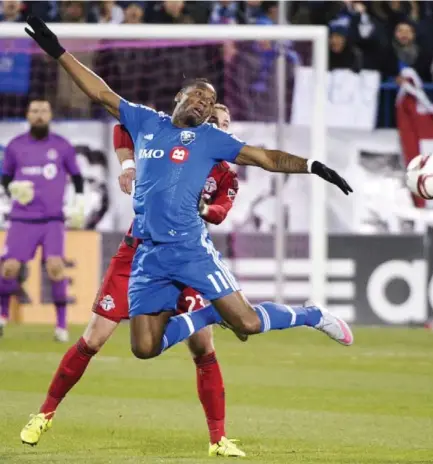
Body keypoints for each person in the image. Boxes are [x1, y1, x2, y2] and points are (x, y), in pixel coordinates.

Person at [25, 14, 353, 400]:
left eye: (210, 100)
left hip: (189, 248)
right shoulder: (146, 120)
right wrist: (59, 52)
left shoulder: (212, 139)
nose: (203, 102)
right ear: (179, 97)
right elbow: (99, 92)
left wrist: (312, 166)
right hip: (148, 252)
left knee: (246, 322)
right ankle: (208, 313)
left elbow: (265, 157)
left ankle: (311, 314)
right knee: (143, 348)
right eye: (198, 95)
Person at [20, 104, 246, 458]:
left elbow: (220, 211)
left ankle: (218, 439)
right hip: (137, 252)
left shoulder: (225, 176)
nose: (222, 128)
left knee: (203, 348)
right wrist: (128, 166)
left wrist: (201, 210)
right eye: (216, 121)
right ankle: (44, 415)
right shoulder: (169, 139)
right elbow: (122, 128)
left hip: (186, 258)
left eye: (227, 124)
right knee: (93, 339)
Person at [0, 99, 85, 342]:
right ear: (27, 115)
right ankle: (3, 315)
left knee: (56, 267)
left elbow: (77, 178)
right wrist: (13, 188)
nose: (39, 115)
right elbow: (5, 179)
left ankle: (61, 326)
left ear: (50, 115)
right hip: (21, 218)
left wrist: (79, 204)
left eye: (43, 111)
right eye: (35, 111)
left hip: (52, 220)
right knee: (9, 268)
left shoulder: (62, 146)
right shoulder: (15, 146)